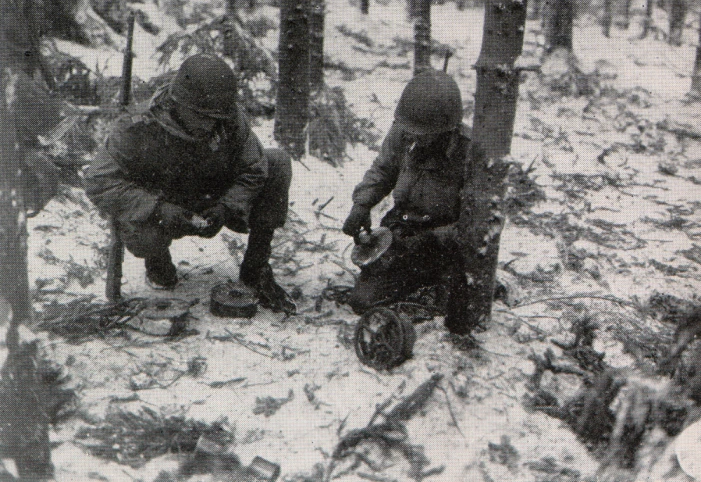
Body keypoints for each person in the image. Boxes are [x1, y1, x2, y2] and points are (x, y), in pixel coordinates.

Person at [85, 54, 296, 315]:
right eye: (202, 116)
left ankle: (256, 269)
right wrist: (158, 209)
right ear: (179, 104)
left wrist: (227, 206)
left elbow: (254, 167)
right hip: (163, 205)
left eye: (216, 117)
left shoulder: (227, 118)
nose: (211, 124)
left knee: (277, 163)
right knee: (144, 237)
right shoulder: (137, 127)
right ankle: (158, 262)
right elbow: (99, 181)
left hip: (213, 195)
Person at [342, 69, 478, 335]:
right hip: (402, 233)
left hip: (445, 244)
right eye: (410, 131)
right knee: (363, 301)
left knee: (457, 313)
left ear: (446, 129)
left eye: (423, 134)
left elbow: (478, 223)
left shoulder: (471, 152)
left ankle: (435, 281)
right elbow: (383, 170)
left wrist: (433, 239)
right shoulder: (404, 131)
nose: (414, 138)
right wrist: (362, 204)